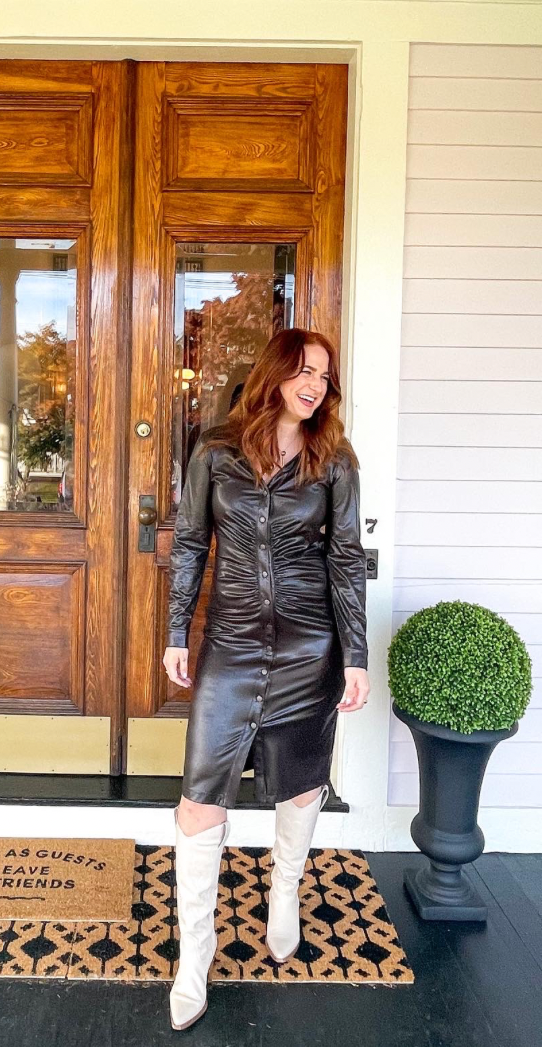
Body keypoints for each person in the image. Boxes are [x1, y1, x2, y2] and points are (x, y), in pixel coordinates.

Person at [162, 327, 370, 1031]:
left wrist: (355, 655)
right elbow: (192, 542)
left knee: (303, 781)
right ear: (275, 374)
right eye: (304, 370)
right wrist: (176, 633)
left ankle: (284, 892)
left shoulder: (334, 457)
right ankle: (195, 957)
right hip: (231, 644)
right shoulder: (216, 450)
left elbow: (346, 558)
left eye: (324, 375)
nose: (315, 384)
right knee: (200, 798)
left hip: (311, 647)